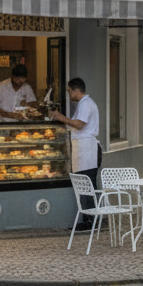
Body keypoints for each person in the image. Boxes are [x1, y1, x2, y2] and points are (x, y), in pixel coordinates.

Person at [49, 78, 100, 231]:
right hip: (84, 149)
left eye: (69, 91)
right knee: (85, 184)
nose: (69, 94)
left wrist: (60, 117)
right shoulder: (86, 103)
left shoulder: (85, 104)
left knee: (86, 184)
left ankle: (90, 221)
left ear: (76, 90)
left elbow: (79, 124)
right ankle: (89, 219)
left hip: (86, 150)